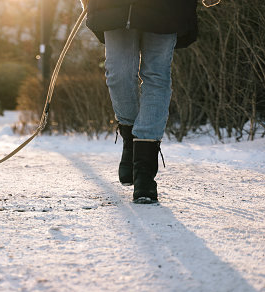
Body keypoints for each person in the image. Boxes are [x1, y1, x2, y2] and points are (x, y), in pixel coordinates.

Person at [80, 0, 217, 203]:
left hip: (167, 7)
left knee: (157, 75)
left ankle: (144, 169)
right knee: (119, 75)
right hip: (114, 5)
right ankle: (130, 139)